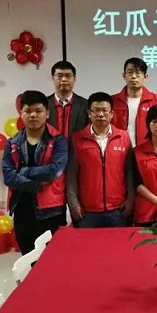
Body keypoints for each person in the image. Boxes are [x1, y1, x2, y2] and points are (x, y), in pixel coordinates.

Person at [2, 90, 68, 254]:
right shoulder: (12, 143)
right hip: (22, 208)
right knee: (28, 255)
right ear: (21, 114)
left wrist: (23, 171)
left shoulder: (58, 140)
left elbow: (55, 171)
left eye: (38, 111)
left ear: (47, 114)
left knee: (52, 257)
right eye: (28, 111)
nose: (33, 115)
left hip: (51, 209)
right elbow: (8, 176)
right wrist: (36, 185)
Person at [66, 92, 133, 229]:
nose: (101, 114)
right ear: (89, 114)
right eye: (96, 111)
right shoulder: (78, 139)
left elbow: (130, 171)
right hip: (88, 211)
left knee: (117, 243)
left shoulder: (123, 137)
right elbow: (72, 174)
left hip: (118, 209)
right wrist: (73, 203)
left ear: (111, 114)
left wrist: (131, 199)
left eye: (104, 110)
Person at [111, 57, 157, 147]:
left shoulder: (156, 100)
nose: (134, 76)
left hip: (146, 150)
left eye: (138, 73)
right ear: (124, 76)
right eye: (130, 72)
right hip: (118, 149)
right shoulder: (113, 101)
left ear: (145, 77)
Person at [47, 60, 89, 141]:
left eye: (68, 75)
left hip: (77, 149)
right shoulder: (44, 104)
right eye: (59, 76)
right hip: (50, 149)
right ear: (52, 78)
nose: (64, 79)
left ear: (75, 78)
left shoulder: (85, 105)